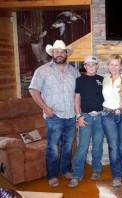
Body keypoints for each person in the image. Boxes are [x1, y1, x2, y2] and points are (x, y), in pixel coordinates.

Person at [29, 40, 80, 187]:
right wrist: (45, 108)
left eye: (62, 51)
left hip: (71, 115)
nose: (60, 54)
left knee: (68, 146)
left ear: (66, 54)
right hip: (54, 116)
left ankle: (65, 170)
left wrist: (78, 114)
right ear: (52, 53)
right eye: (56, 51)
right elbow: (33, 90)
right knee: (52, 147)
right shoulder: (42, 70)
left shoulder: (74, 72)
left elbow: (78, 94)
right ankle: (51, 175)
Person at [68, 55, 105, 188]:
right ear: (84, 66)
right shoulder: (79, 80)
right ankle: (77, 174)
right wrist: (78, 116)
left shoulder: (102, 80)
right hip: (85, 117)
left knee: (97, 145)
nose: (91, 67)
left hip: (100, 117)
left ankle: (96, 169)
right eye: (88, 65)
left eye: (93, 65)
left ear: (97, 66)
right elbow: (76, 99)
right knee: (82, 146)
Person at [101, 54, 122, 187]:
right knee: (113, 146)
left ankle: (121, 168)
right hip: (108, 115)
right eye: (111, 64)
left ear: (120, 66)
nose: (114, 67)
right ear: (108, 65)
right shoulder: (105, 79)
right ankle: (116, 175)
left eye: (116, 65)